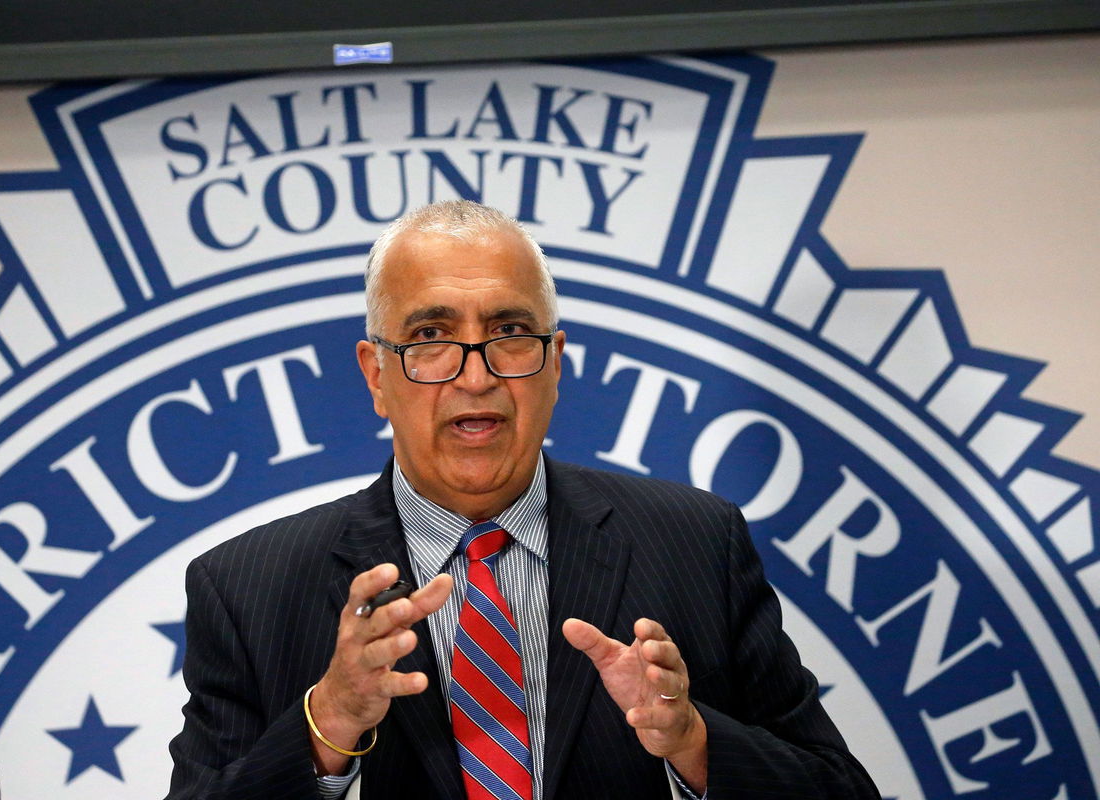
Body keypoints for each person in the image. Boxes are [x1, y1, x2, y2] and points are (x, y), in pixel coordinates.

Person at [165, 200, 880, 800]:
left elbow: (839, 789)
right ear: (376, 373)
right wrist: (329, 724)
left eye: (509, 333)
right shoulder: (247, 588)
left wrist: (692, 741)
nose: (475, 376)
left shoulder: (697, 544)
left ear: (556, 362)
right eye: (431, 336)